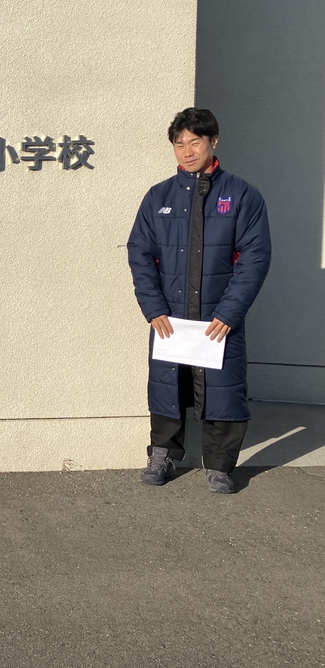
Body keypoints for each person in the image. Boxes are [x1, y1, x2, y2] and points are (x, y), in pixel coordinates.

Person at [127, 107, 271, 493]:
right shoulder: (158, 196)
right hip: (170, 317)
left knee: (223, 390)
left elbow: (254, 258)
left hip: (218, 317)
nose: (187, 150)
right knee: (167, 387)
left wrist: (230, 312)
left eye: (195, 141)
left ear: (213, 141)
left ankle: (220, 466)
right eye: (179, 144)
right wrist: (154, 307)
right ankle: (162, 455)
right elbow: (140, 253)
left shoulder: (242, 195)